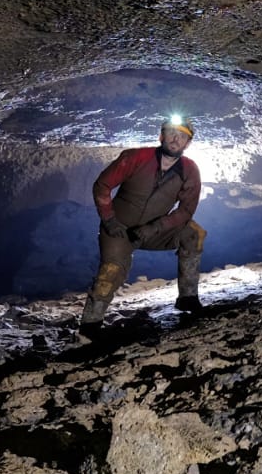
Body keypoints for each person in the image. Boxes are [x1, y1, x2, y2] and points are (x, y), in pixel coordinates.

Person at [80, 115, 205, 334]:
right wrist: (109, 219)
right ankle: (90, 326)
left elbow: (186, 210)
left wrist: (155, 228)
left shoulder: (190, 170)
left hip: (154, 231)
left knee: (193, 233)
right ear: (161, 136)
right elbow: (102, 185)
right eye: (171, 134)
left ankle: (187, 298)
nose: (176, 140)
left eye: (182, 137)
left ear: (188, 143)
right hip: (119, 230)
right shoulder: (136, 157)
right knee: (111, 272)